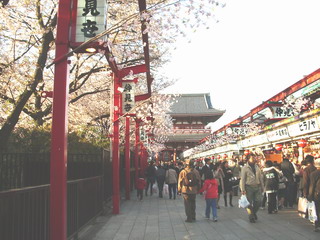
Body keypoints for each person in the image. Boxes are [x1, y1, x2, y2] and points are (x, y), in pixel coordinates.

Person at [240, 153, 264, 223]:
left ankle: (253, 213)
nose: (254, 158)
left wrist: (262, 186)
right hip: (249, 187)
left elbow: (260, 177)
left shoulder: (257, 167)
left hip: (257, 186)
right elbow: (243, 179)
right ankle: (251, 216)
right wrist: (243, 189)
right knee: (249, 203)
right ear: (248, 158)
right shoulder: (245, 168)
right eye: (252, 157)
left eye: (254, 157)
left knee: (258, 201)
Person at [178, 158, 201, 222]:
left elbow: (180, 181)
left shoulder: (183, 172)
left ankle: (189, 217)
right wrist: (198, 189)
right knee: (193, 203)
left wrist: (179, 190)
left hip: (185, 190)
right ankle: (193, 216)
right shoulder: (196, 171)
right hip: (193, 190)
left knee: (187, 204)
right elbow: (199, 181)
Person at [307, 158, 320, 232]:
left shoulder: (314, 174)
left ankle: (317, 225)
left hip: (317, 194)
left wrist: (310, 195)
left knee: (317, 210)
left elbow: (312, 185)